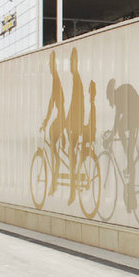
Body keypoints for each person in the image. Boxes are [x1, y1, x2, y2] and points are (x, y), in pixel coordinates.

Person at [105, 79, 139, 210]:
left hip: (134, 116)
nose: (110, 102)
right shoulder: (119, 95)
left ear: (111, 94)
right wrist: (111, 136)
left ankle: (132, 198)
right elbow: (117, 120)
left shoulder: (120, 96)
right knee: (121, 130)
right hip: (134, 115)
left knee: (122, 131)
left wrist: (110, 138)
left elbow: (118, 123)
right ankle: (129, 158)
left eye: (109, 99)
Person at [40, 51, 65, 196]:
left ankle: (55, 179)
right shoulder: (56, 80)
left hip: (61, 118)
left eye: (50, 64)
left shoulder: (56, 79)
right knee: (54, 146)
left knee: (53, 147)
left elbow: (52, 103)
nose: (49, 67)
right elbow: (51, 102)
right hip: (61, 117)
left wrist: (46, 121)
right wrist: (46, 120)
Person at [66, 48, 84, 204]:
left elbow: (76, 104)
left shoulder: (77, 80)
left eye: (71, 62)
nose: (70, 65)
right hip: (76, 122)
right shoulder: (75, 80)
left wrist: (68, 121)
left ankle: (73, 190)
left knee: (72, 154)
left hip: (76, 124)